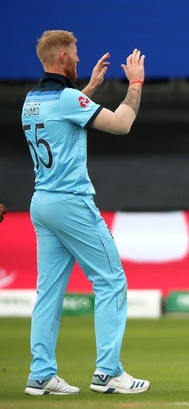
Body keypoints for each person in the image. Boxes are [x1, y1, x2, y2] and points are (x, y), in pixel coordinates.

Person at [22, 30, 150, 395]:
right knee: (111, 281)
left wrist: (89, 88)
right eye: (75, 53)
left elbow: (63, 117)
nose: (79, 59)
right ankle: (108, 373)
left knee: (48, 292)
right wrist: (136, 83)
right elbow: (122, 124)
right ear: (62, 57)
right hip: (71, 202)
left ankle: (41, 374)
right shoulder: (65, 100)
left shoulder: (32, 100)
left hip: (42, 202)